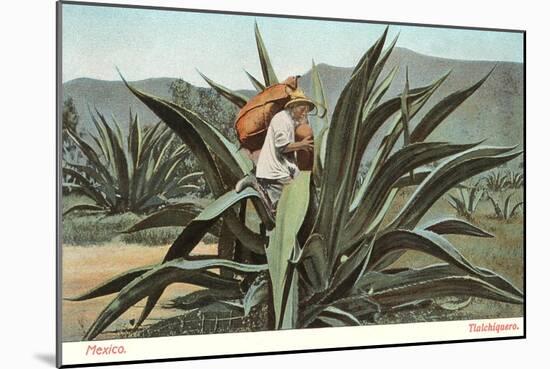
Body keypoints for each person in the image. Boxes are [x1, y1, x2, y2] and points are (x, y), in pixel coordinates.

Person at [236, 90, 315, 217]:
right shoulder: (281, 120)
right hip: (274, 172)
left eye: (307, 109)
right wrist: (303, 145)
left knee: (296, 197)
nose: (305, 112)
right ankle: (256, 184)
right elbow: (282, 147)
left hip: (285, 168)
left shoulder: (292, 120)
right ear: (293, 106)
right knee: (282, 209)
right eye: (302, 108)